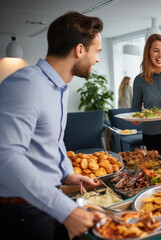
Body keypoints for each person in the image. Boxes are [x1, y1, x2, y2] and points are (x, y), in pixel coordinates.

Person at [0, 12, 104, 239]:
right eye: (97, 51)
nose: (97, 59)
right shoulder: (27, 84)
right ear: (79, 50)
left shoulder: (60, 87)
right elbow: (6, 158)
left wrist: (67, 173)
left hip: (49, 198)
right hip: (23, 209)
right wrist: (67, 210)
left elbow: (53, 142)